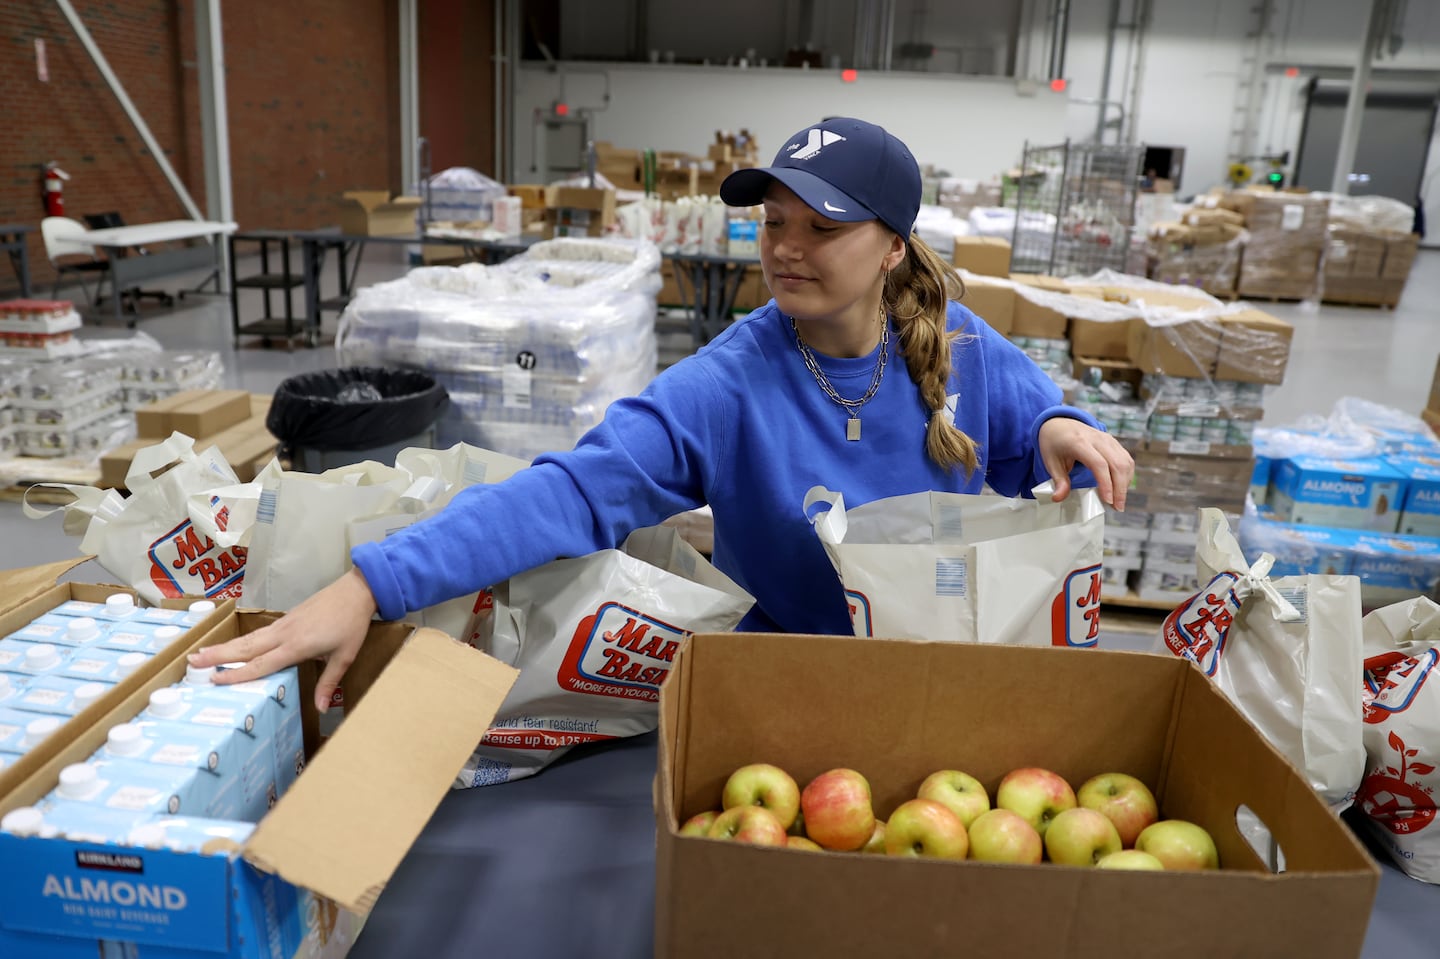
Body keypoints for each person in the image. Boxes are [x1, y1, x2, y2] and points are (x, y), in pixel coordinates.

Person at [193, 117, 1134, 710]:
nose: (786, 249)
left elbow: (1031, 417)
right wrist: (371, 584)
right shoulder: (729, 384)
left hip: (950, 686)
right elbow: (568, 492)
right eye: (773, 221)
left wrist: (1056, 424)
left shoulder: (957, 342)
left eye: (823, 227)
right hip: (785, 700)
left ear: (893, 245)